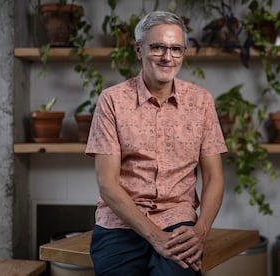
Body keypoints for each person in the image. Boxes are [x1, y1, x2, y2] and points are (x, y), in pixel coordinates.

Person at [86, 10, 228, 276]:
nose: (167, 57)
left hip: (179, 223)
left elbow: (214, 177)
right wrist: (156, 237)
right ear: (139, 50)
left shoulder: (201, 102)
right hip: (120, 224)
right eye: (158, 47)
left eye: (176, 49)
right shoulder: (112, 101)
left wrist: (200, 231)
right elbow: (107, 184)